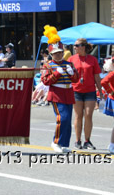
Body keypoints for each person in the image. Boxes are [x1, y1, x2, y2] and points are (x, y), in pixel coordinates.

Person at [41, 25, 79, 153]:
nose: (58, 55)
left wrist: (71, 73)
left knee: (68, 120)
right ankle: (55, 142)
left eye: (60, 53)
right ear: (51, 54)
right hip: (57, 93)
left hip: (68, 93)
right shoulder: (48, 65)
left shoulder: (69, 64)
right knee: (62, 118)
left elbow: (75, 79)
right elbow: (45, 81)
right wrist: (56, 74)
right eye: (55, 53)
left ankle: (63, 144)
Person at [68, 38, 103, 150]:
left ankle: (87, 140)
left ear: (83, 46)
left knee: (88, 115)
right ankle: (78, 140)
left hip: (90, 91)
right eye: (74, 45)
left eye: (76, 45)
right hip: (76, 90)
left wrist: (100, 91)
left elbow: (97, 76)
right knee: (78, 116)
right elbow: (67, 75)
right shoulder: (71, 59)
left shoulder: (92, 59)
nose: (74, 47)